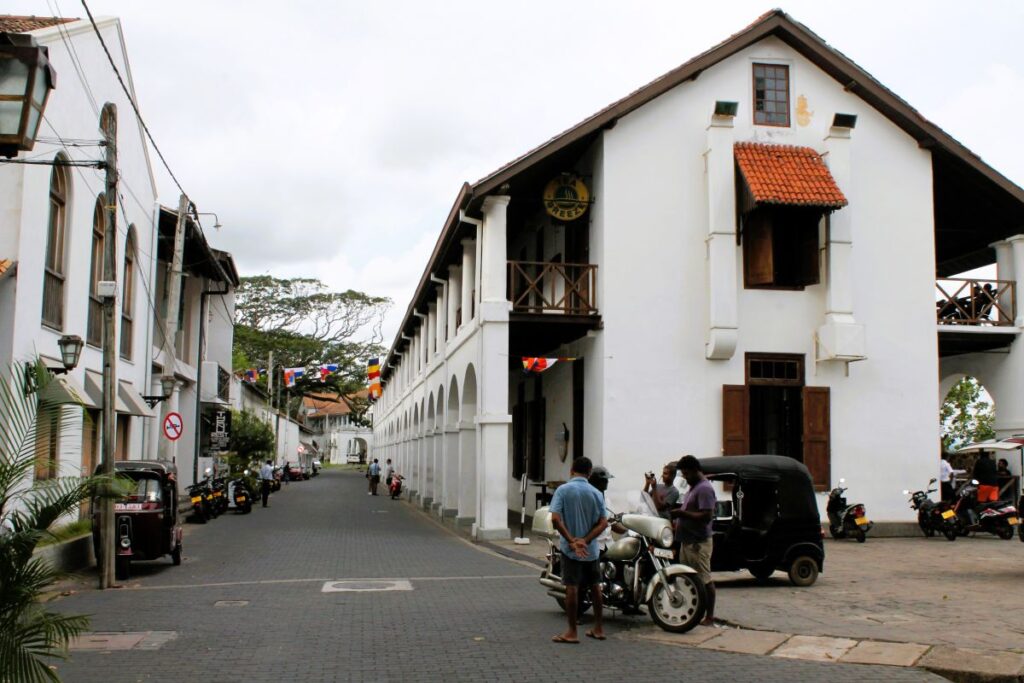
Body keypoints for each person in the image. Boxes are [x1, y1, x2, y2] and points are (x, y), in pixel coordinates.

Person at [550, 456, 608, 644]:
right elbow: (603, 522)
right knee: (595, 586)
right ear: (589, 473)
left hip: (570, 550)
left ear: (571, 470)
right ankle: (598, 628)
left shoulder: (563, 490)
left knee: (572, 588)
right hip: (591, 550)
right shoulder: (596, 493)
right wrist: (586, 540)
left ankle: (572, 631)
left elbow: (555, 519)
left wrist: (572, 541)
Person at [672, 454, 716, 626]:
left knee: (704, 579)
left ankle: (710, 616)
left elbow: (706, 515)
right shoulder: (694, 487)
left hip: (698, 542)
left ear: (694, 471)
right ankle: (693, 612)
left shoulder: (704, 488)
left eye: (686, 474)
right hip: (687, 540)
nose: (685, 477)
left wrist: (682, 514)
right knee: (689, 579)